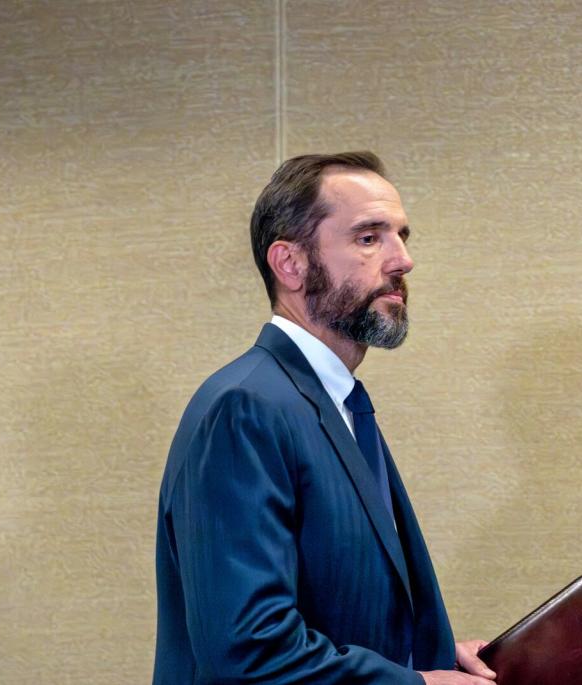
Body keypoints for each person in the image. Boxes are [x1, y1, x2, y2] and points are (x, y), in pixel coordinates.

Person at [153, 152, 496, 684]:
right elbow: (248, 651)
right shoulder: (245, 408)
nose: (403, 260)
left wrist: (425, 655)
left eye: (403, 236)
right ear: (290, 264)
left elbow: (333, 602)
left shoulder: (337, 402)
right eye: (368, 237)